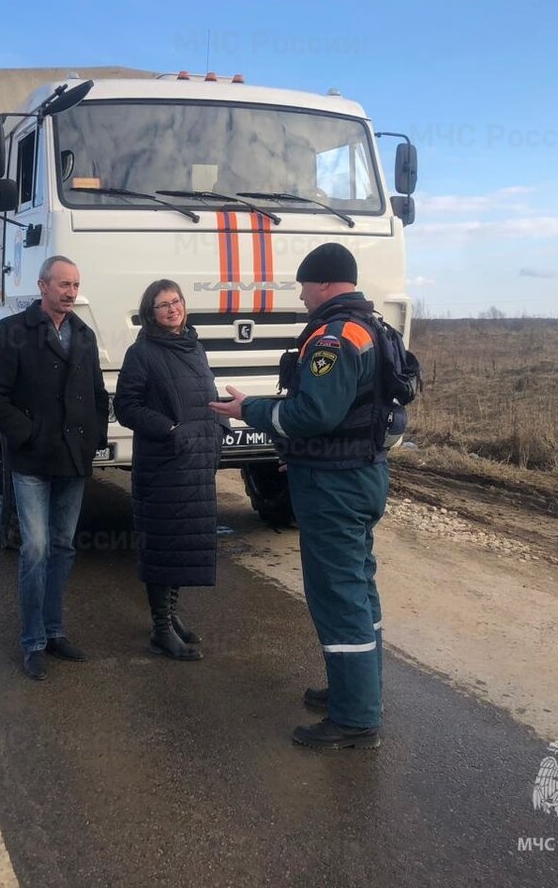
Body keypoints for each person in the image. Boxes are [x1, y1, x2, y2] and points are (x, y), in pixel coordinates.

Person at [209, 243, 387, 749]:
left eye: (305, 284)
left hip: (335, 485)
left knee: (338, 595)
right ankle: (358, 690)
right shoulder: (369, 326)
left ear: (326, 283)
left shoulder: (335, 338)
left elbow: (313, 415)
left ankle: (355, 717)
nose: (302, 294)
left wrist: (252, 411)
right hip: (361, 474)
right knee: (359, 588)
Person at [0, 255, 110, 681]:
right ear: (42, 286)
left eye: (75, 285)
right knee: (35, 550)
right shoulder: (13, 332)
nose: (71, 292)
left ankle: (55, 631)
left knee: (64, 547)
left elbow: (96, 393)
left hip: (73, 460)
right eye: (63, 285)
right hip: (33, 460)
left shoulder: (85, 336)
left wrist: (95, 440)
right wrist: (30, 434)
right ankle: (33, 641)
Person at [115, 280, 226, 662]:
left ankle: (170, 615)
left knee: (181, 543)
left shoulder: (194, 346)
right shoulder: (142, 352)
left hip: (194, 461)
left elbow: (204, 396)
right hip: (164, 463)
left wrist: (218, 430)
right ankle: (161, 629)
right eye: (162, 305)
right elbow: (126, 407)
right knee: (163, 544)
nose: (172, 309)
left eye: (176, 301)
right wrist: (170, 430)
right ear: (151, 313)